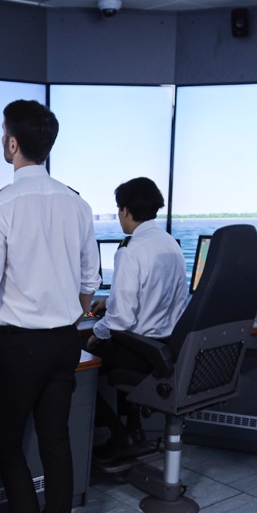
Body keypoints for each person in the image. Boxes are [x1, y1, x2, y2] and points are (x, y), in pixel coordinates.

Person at [0, 99, 99, 513]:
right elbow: (89, 282)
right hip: (65, 344)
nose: (3, 141)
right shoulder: (78, 203)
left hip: (20, 348)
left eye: (3, 134)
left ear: (13, 143)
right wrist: (65, 319)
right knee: (56, 441)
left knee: (5, 442)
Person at [84, 177, 189, 463]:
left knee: (72, 365)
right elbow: (164, 296)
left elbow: (120, 321)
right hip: (166, 345)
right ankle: (133, 431)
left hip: (137, 350)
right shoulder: (171, 244)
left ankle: (121, 434)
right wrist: (108, 302)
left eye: (119, 210)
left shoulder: (130, 250)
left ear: (126, 211)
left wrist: (95, 330)